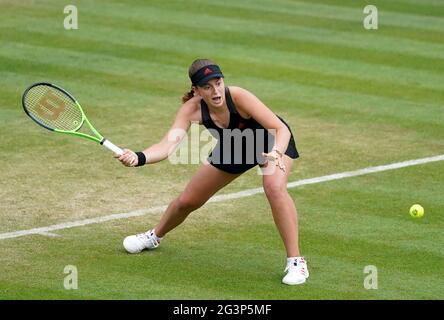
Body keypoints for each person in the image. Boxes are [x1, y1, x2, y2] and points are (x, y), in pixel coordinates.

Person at [115, 59, 309, 285]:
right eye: (207, 86)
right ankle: (154, 236)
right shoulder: (191, 110)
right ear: (196, 90)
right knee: (188, 200)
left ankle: (296, 262)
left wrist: (276, 152)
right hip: (235, 147)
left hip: (271, 142)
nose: (215, 90)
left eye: (218, 83)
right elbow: (167, 146)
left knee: (274, 188)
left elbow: (280, 128)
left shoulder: (238, 96)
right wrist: (138, 157)